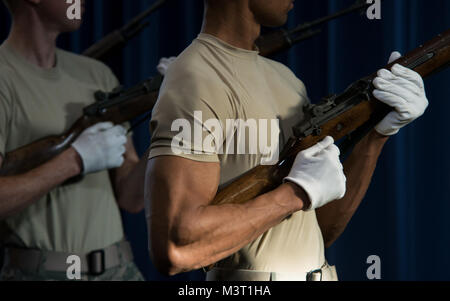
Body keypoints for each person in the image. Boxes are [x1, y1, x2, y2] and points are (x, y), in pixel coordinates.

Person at [145, 0, 428, 281]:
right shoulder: (194, 78)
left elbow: (321, 230)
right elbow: (175, 248)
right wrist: (295, 194)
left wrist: (377, 135)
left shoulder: (287, 80)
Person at [0, 0, 157, 280]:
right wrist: (75, 160)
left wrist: (170, 123)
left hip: (120, 271)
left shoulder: (97, 74)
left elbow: (132, 199)